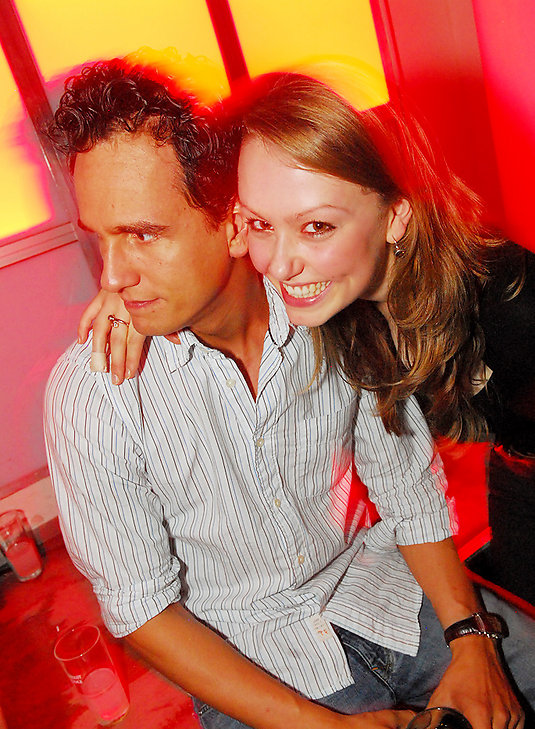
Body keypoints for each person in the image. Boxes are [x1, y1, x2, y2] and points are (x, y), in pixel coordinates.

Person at [44, 58, 534, 729]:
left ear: (234, 222)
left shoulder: (321, 301)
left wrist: (469, 639)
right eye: (100, 237)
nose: (111, 275)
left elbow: (405, 482)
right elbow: (140, 608)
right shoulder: (94, 393)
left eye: (143, 233)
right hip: (249, 658)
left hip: (382, 588)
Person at [90, 67, 535, 607]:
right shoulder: (326, 300)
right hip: (511, 464)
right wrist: (136, 285)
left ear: (395, 215)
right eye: (261, 224)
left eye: (317, 226)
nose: (280, 265)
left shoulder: (509, 300)